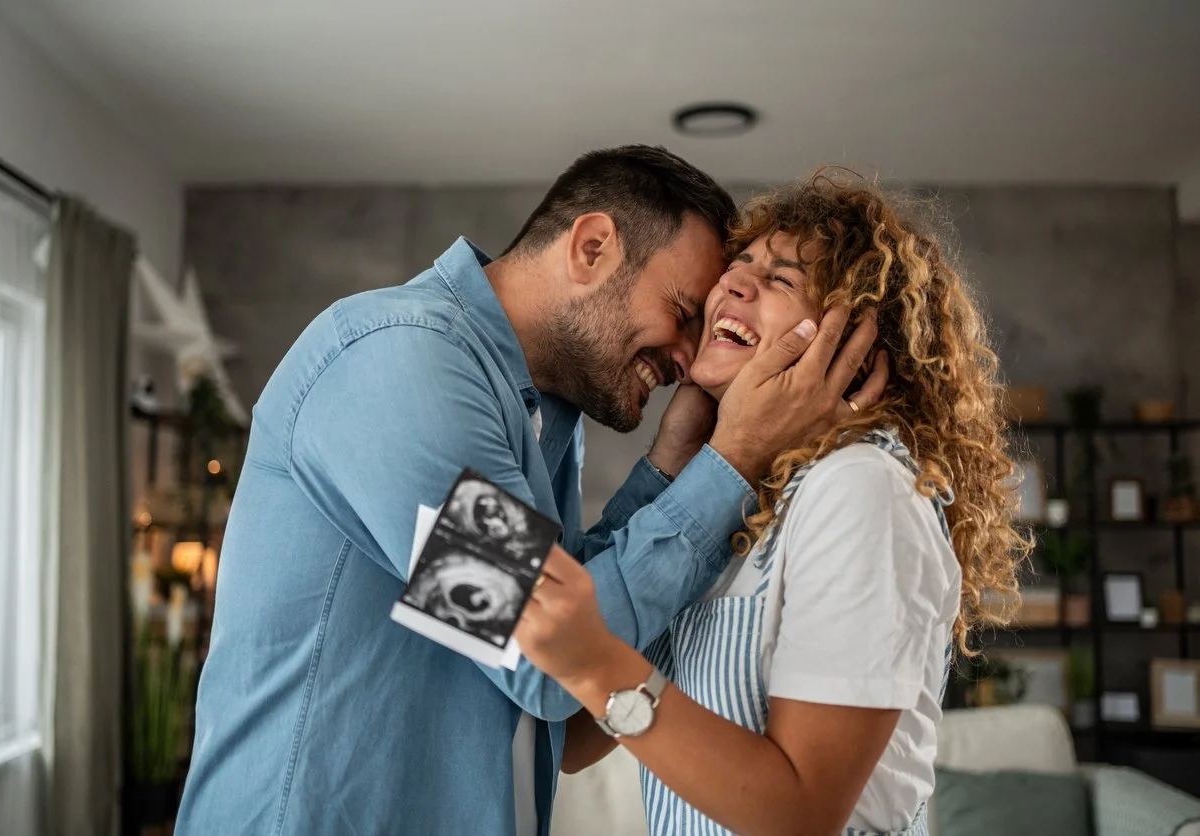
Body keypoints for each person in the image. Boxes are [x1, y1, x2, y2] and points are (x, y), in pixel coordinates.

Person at [174, 146, 888, 835]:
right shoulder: (397, 366)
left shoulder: (544, 419)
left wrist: (674, 464)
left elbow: (568, 682)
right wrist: (731, 464)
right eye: (681, 312)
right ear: (592, 248)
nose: (686, 357)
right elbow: (547, 665)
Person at [516, 172, 1026, 836]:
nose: (729, 284)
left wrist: (593, 664)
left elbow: (803, 813)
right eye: (740, 265)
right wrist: (684, 463)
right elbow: (571, 734)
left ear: (853, 343)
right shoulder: (740, 501)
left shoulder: (862, 488)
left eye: (781, 279)